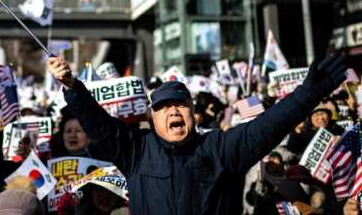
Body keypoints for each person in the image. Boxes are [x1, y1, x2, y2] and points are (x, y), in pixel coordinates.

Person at [48, 55, 348, 215]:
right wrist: (73, 87)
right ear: (153, 119)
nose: (173, 112)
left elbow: (269, 126)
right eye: (164, 108)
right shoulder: (136, 150)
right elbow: (99, 124)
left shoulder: (219, 146)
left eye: (180, 105)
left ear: (192, 113)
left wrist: (310, 92)